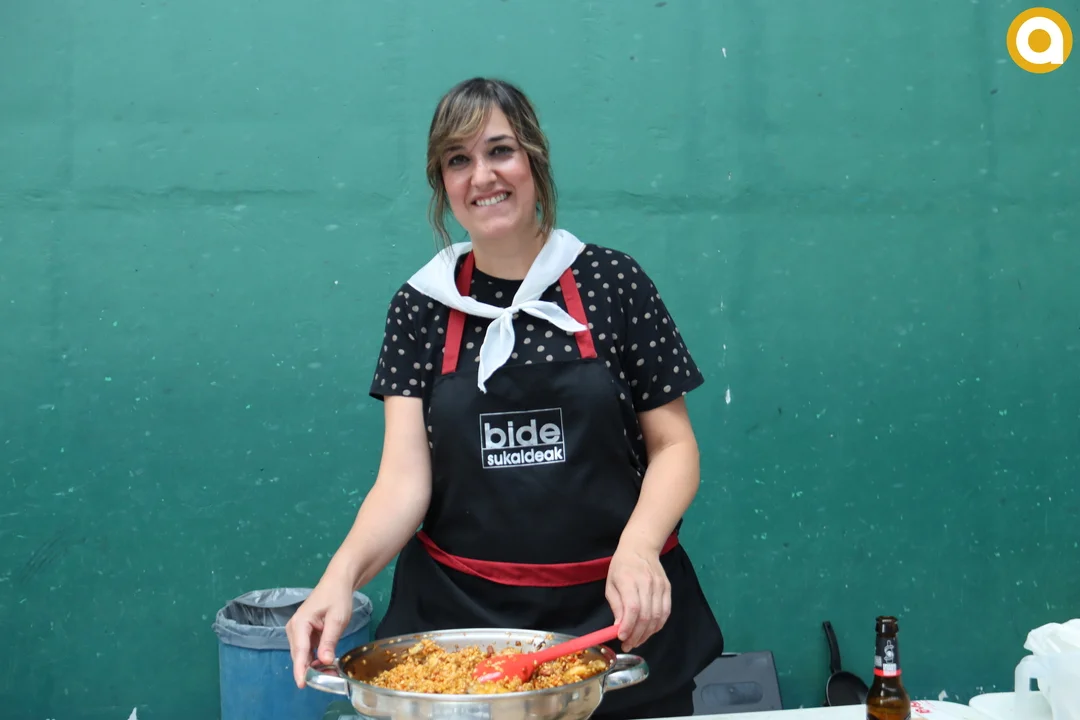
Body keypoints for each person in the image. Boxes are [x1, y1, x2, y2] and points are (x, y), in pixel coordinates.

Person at [285, 76, 725, 719]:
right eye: (458, 160)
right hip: (462, 630)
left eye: (500, 151)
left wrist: (638, 548)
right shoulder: (420, 307)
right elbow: (403, 481)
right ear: (443, 185)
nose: (482, 176)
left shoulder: (613, 282)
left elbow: (675, 446)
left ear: (534, 161)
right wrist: (339, 578)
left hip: (616, 620)